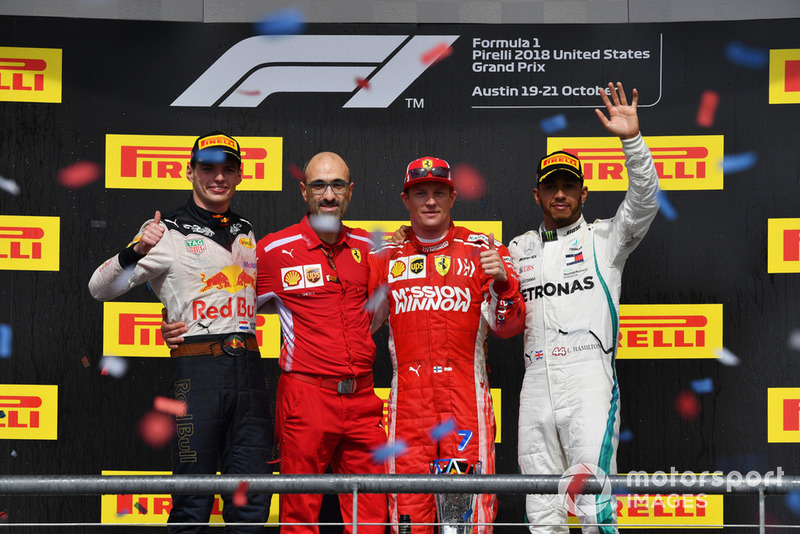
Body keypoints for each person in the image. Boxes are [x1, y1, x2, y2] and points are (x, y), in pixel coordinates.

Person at [163, 151, 388, 534]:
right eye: (319, 185)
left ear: (350, 191)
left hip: (363, 398)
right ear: (304, 191)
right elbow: (228, 298)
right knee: (299, 515)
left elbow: (384, 306)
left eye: (337, 185)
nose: (328, 195)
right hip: (306, 395)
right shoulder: (270, 250)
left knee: (371, 514)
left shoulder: (374, 247)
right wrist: (177, 317)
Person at [89, 132, 273, 533]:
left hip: (250, 370)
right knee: (192, 500)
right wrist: (135, 250)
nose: (218, 177)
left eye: (227, 169)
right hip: (198, 374)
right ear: (189, 171)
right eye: (207, 168)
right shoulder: (167, 232)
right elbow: (100, 289)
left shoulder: (246, 229)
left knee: (252, 498)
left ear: (240, 175)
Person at [508, 82, 660, 534]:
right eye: (550, 187)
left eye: (568, 186)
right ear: (536, 194)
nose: (560, 194)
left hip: (587, 379)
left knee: (594, 506)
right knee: (541, 511)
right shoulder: (517, 249)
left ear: (583, 194)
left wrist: (631, 140)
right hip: (534, 382)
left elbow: (645, 202)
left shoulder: (605, 239)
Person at [367, 156, 525, 534]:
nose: (430, 201)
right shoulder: (386, 257)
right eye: (420, 193)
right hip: (407, 409)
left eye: (439, 192)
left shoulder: (482, 249)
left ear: (453, 197)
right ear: (406, 200)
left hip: (463, 406)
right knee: (408, 519)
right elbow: (358, 325)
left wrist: (504, 284)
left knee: (467, 522)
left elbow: (511, 326)